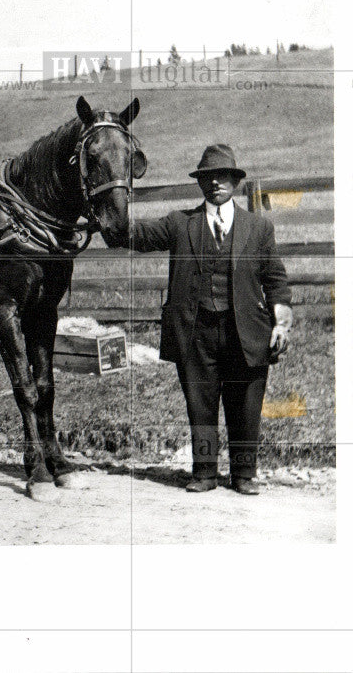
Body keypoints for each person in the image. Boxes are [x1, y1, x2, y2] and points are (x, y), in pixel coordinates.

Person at [121, 144, 293, 495]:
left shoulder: (258, 228)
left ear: (235, 182)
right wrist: (105, 211)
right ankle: (204, 474)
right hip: (194, 332)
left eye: (224, 176)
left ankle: (244, 476)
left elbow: (275, 279)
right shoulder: (179, 223)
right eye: (208, 177)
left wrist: (282, 322)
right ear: (200, 184)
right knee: (200, 403)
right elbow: (135, 235)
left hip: (246, 331)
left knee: (245, 405)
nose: (216, 183)